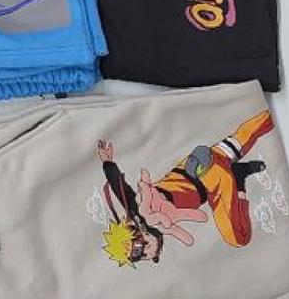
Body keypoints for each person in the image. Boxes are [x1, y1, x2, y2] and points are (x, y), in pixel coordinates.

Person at [98, 110, 274, 266]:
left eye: (137, 249)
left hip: (211, 183)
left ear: (132, 233)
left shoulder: (142, 213)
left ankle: (235, 177)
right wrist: (107, 162)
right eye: (140, 257)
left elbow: (119, 188)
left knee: (239, 238)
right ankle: (267, 118)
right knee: (242, 137)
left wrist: (108, 164)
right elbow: (119, 187)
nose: (146, 253)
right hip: (193, 165)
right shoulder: (138, 211)